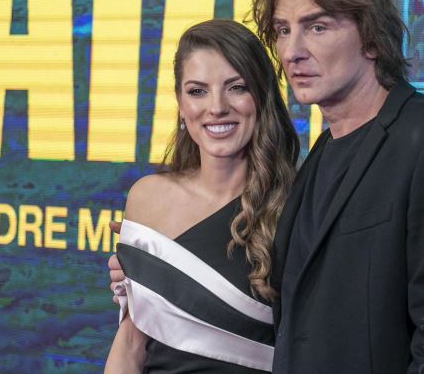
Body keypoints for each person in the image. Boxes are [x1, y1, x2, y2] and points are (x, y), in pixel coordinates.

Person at [111, 0, 424, 373]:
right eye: (282, 30)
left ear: (371, 36)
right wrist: (154, 275)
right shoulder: (318, 158)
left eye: (316, 27)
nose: (293, 51)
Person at [105, 19, 299, 373]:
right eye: (197, 91)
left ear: (261, 97)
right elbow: (131, 342)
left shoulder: (297, 205)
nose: (217, 107)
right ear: (180, 104)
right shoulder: (148, 198)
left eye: (236, 87)